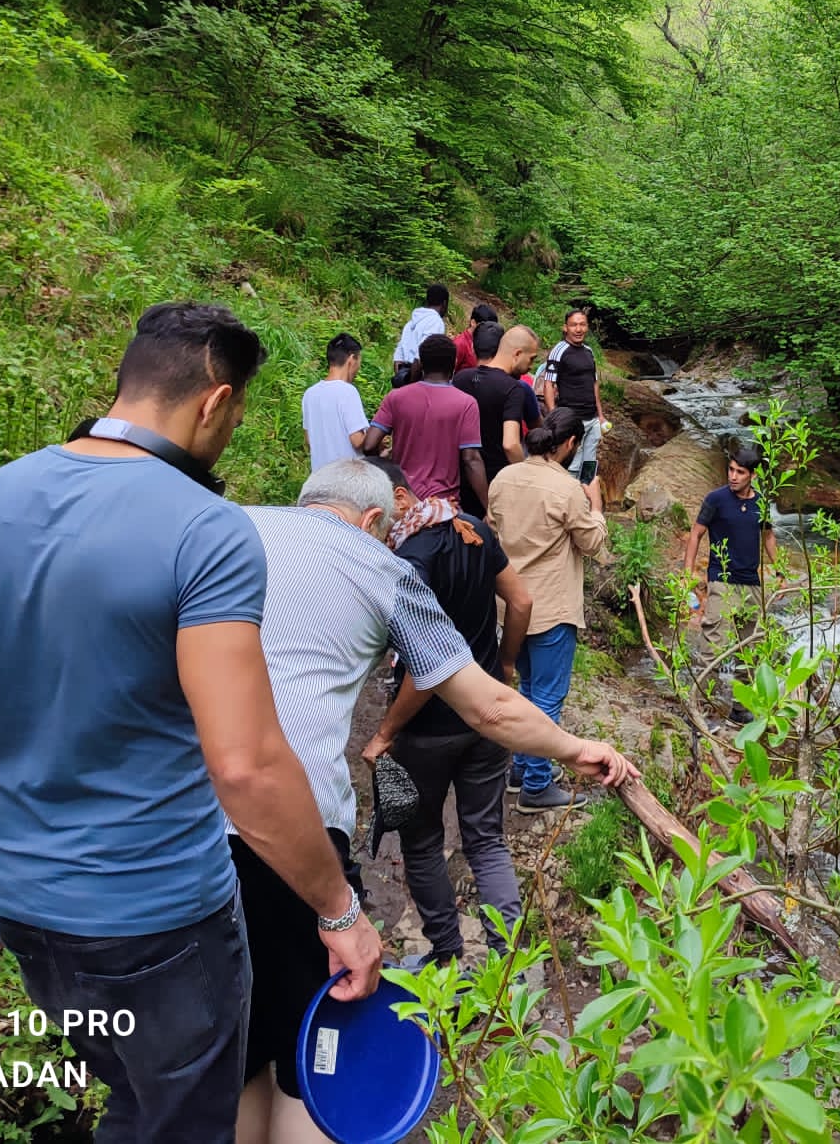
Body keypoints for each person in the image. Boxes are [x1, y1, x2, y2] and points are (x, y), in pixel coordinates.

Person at [0, 303, 380, 1144]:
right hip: (160, 917)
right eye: (238, 417)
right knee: (177, 1120)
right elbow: (247, 766)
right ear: (215, 403)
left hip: (26, 907)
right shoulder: (206, 532)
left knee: (133, 1099)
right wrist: (337, 911)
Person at [234, 459, 634, 1143]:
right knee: (314, 1045)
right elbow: (490, 705)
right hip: (294, 834)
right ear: (371, 522)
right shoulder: (380, 566)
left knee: (237, 1049)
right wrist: (572, 747)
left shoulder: (226, 530)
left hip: (178, 826)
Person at [355, 459, 534, 971]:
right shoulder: (471, 527)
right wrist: (503, 664)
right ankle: (507, 966)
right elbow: (520, 601)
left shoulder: (409, 558)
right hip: (488, 717)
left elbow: (425, 667)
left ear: (401, 498)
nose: (378, 526)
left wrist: (386, 732)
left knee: (424, 839)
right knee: (486, 837)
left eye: (381, 510)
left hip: (428, 728)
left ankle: (447, 957)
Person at [485, 407, 608, 810]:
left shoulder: (504, 478)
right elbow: (592, 545)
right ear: (571, 444)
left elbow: (493, 527)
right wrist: (597, 508)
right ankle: (537, 785)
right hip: (552, 607)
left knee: (527, 689)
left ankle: (521, 769)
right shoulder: (567, 489)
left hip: (509, 605)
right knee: (548, 697)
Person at [684, 445, 784, 721]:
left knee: (750, 649)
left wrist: (780, 570)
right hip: (722, 580)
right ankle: (696, 709)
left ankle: (741, 710)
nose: (733, 476)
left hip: (752, 583)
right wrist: (687, 572)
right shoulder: (716, 499)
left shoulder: (760, 503)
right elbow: (696, 534)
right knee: (712, 646)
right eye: (731, 470)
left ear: (752, 474)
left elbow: (768, 537)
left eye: (740, 472)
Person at [364, 333, 486, 510]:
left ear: (421, 364)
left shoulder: (396, 398)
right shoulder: (466, 403)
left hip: (402, 499)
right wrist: (488, 506)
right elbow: (471, 459)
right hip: (442, 505)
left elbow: (368, 445)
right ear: (454, 364)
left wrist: (386, 456)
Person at [452, 322, 541, 518]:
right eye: (531, 359)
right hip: (496, 482)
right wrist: (527, 476)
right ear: (517, 354)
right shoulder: (513, 388)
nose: (530, 367)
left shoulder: (461, 379)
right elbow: (510, 444)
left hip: (459, 479)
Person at [535, 308, 606, 485]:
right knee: (573, 462)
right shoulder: (559, 351)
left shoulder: (589, 351)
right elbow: (549, 384)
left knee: (590, 462)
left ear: (587, 327)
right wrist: (554, 416)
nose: (578, 329)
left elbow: (594, 383)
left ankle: (587, 494)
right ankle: (569, 495)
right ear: (565, 328)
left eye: (582, 324)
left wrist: (601, 415)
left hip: (592, 418)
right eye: (574, 325)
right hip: (572, 417)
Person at [301, 332, 370, 471]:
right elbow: (357, 441)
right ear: (352, 359)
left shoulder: (310, 394)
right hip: (347, 481)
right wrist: (377, 435)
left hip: (319, 481)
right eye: (358, 363)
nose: (357, 369)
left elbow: (309, 441)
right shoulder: (347, 391)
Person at [390, 283, 450, 387]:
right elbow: (422, 355)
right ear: (444, 303)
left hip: (403, 377)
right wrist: (412, 386)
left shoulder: (411, 322)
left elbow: (398, 357)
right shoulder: (436, 322)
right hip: (419, 380)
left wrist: (401, 382)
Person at [452, 302, 500, 373]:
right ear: (473, 322)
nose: (489, 331)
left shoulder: (488, 342)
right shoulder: (460, 344)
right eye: (485, 327)